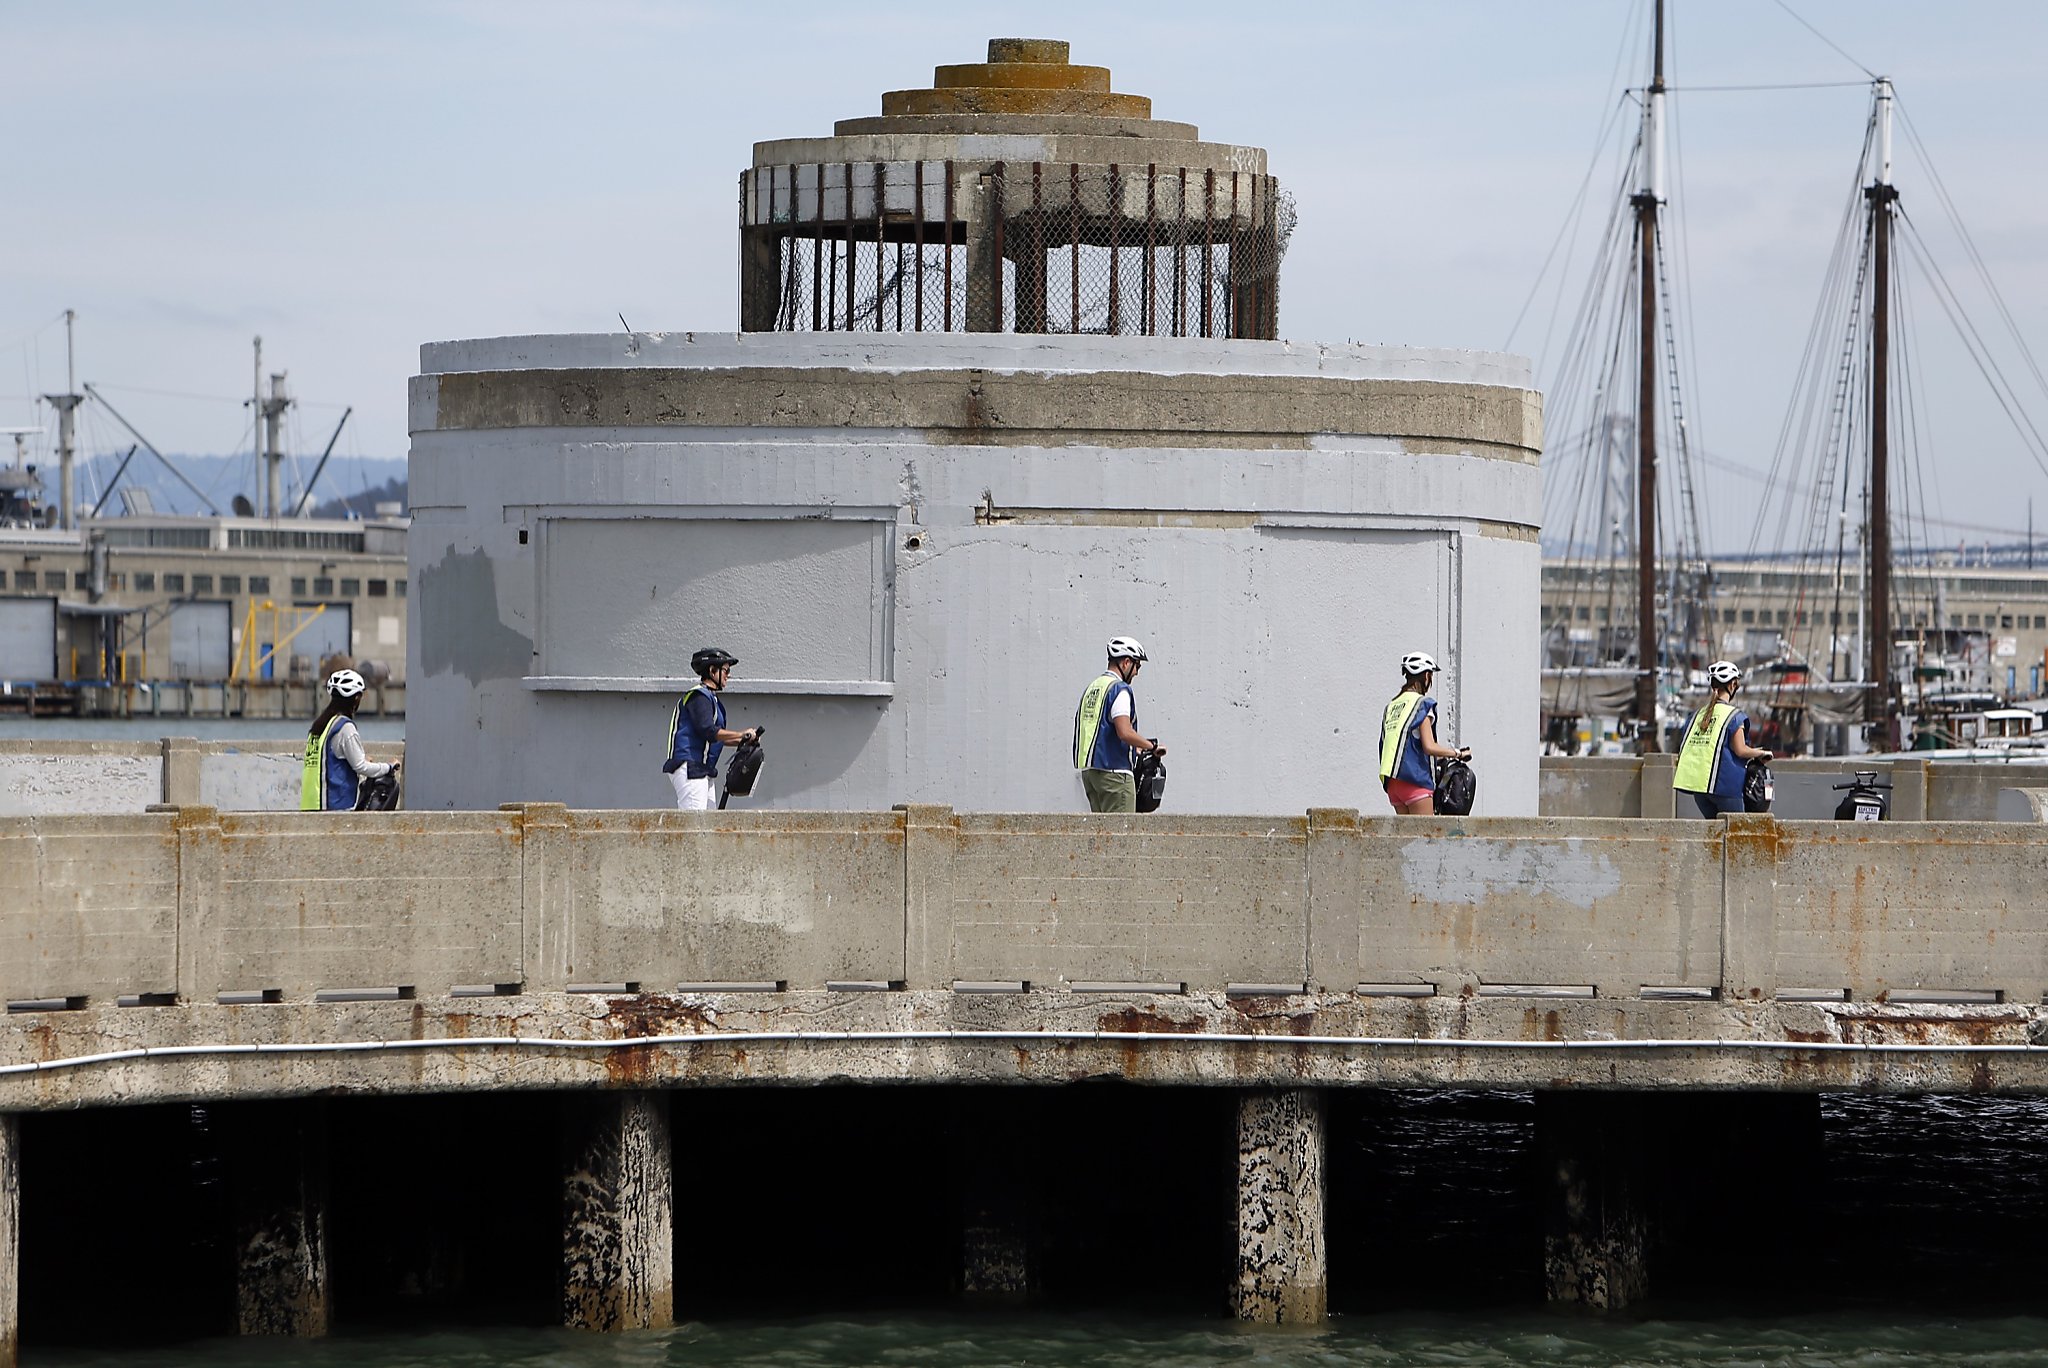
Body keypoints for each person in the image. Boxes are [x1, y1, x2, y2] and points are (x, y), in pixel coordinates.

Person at [1072, 636, 1166, 813]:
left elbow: (1102, 731)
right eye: (1137, 665)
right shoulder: (1119, 689)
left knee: (1102, 835)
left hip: (1091, 774)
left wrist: (1135, 749)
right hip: (1115, 777)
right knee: (1122, 838)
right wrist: (1151, 746)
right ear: (1126, 662)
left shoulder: (1094, 687)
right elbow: (1124, 731)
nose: (1137, 672)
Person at [661, 647, 759, 811]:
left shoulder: (713, 700)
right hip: (691, 768)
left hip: (703, 770)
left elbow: (716, 737)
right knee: (695, 826)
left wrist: (744, 740)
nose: (728, 676)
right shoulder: (698, 696)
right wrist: (741, 733)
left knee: (708, 825)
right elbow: (708, 731)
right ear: (712, 671)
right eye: (726, 671)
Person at [1675, 660, 1773, 818]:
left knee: (1716, 834)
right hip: (1725, 787)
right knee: (1737, 833)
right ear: (1733, 684)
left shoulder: (1697, 715)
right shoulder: (1734, 716)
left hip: (1699, 789)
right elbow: (1740, 750)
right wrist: (1759, 753)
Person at [1379, 651, 1470, 815]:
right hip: (1415, 782)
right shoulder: (1421, 704)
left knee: (1407, 838)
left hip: (1393, 784)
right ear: (1426, 676)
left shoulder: (1392, 706)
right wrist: (1457, 753)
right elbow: (1429, 746)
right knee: (1427, 839)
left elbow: (1407, 743)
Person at [301, 668, 396, 811]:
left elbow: (330, 759)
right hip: (335, 808)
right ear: (356, 698)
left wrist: (361, 759)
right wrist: (389, 767)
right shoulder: (345, 728)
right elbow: (361, 767)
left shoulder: (320, 726)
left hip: (311, 806)